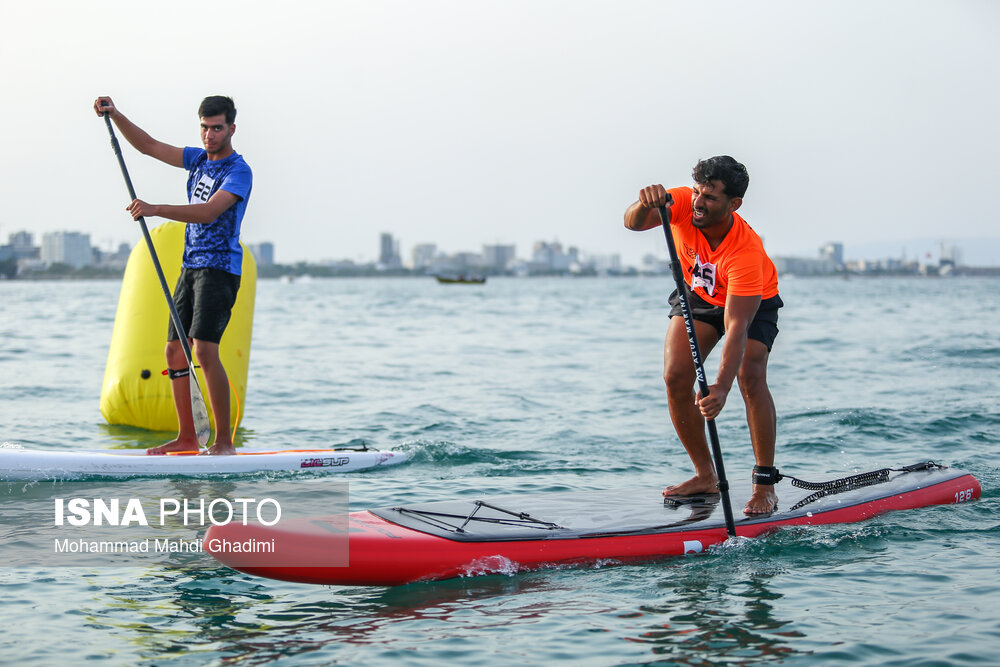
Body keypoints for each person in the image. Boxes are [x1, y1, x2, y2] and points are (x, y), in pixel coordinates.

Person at [94, 95, 253, 456]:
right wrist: (116, 114)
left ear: (231, 128)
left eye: (217, 128)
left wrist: (155, 209)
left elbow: (210, 212)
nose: (210, 135)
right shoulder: (197, 160)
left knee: (204, 350)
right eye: (204, 127)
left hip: (219, 270)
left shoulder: (238, 171)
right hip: (190, 268)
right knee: (173, 352)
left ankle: (224, 443)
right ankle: (186, 437)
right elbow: (148, 146)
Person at [623, 156, 782, 514]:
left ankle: (764, 485)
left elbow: (737, 327)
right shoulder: (679, 202)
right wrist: (643, 202)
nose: (698, 202)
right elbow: (633, 224)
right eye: (698, 191)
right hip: (698, 295)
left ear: (733, 204)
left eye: (710, 198)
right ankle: (705, 474)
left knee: (750, 377)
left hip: (751, 303)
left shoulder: (745, 252)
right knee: (675, 376)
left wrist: (721, 387)